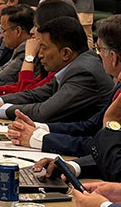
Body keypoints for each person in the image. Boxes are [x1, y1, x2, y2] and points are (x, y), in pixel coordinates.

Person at [7, 15, 121, 156]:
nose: (98, 55)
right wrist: (38, 127)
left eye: (99, 49)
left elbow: (100, 145)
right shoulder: (118, 84)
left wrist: (38, 138)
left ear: (113, 57)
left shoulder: (85, 71)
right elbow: (90, 126)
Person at [0, 16, 113, 122]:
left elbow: (44, 112)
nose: (39, 54)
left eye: (44, 48)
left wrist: (1, 109)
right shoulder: (72, 66)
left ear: (66, 53)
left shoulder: (84, 72)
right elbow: (35, 95)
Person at [0, 0, 77, 97]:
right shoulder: (53, 65)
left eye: (36, 26)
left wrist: (29, 57)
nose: (32, 31)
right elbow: (30, 87)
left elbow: (27, 93)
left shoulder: (70, 70)